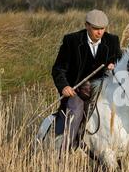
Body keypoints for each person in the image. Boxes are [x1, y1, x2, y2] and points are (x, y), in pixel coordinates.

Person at [52, 9, 122, 152]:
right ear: (87, 25)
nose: (99, 32)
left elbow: (119, 62)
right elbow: (58, 69)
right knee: (76, 112)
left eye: (102, 29)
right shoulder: (71, 41)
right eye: (96, 29)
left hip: (103, 92)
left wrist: (114, 66)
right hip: (77, 92)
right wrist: (64, 86)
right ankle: (63, 153)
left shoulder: (113, 41)